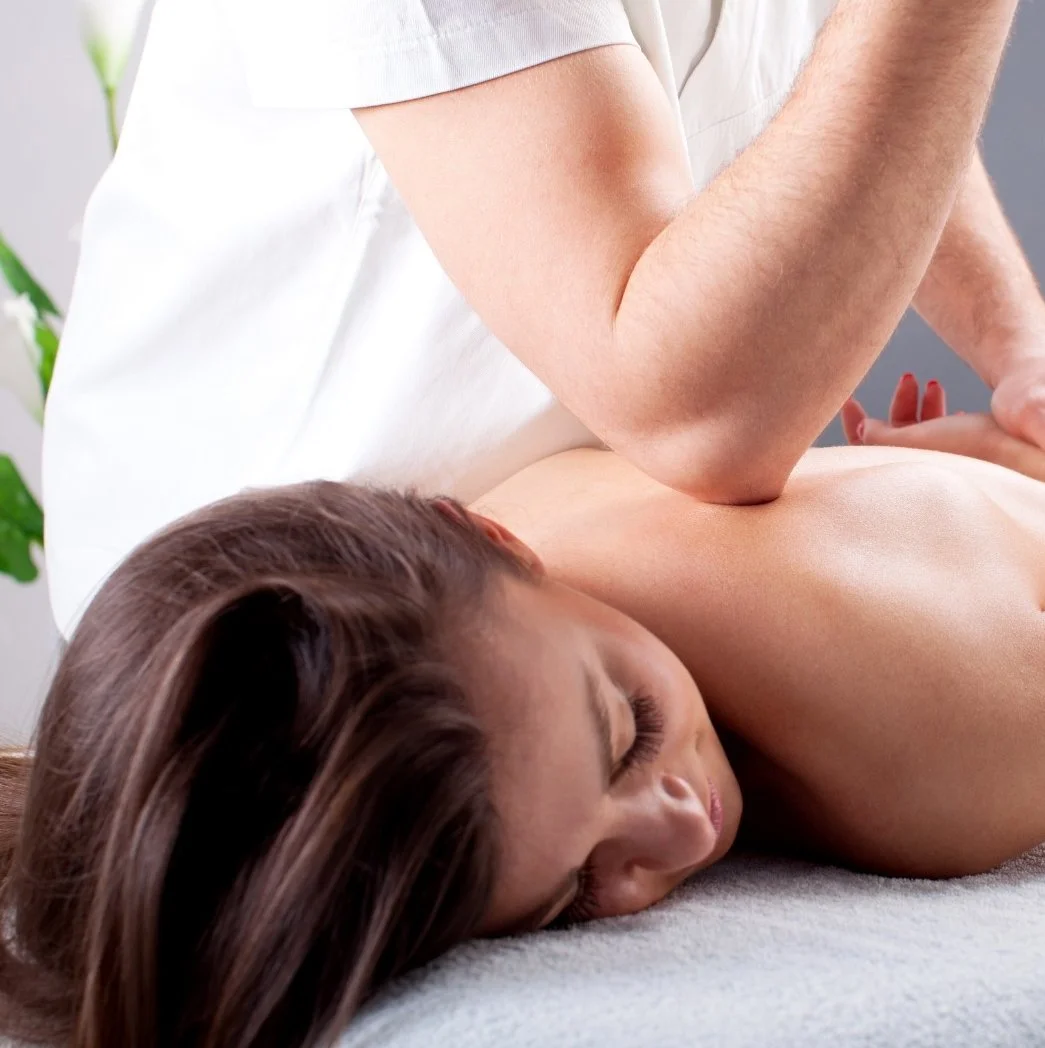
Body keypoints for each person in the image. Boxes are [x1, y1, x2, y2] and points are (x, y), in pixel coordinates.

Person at [3, 373, 1044, 1048]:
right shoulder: (479, 577)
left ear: (490, 537)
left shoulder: (925, 757)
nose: (681, 824)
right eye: (577, 890)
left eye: (628, 728)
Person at [41, 0, 1045, 645]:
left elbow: (851, 84)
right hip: (275, 597)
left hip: (572, 502)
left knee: (979, 545)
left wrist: (1020, 353)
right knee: (942, 658)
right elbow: (700, 413)